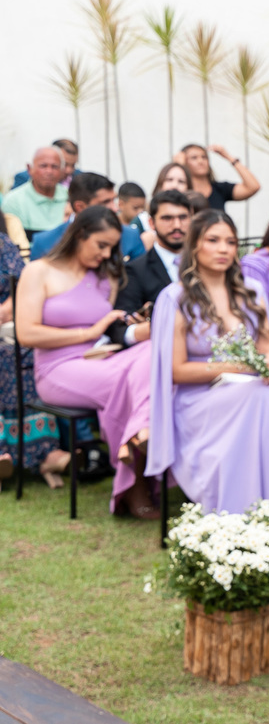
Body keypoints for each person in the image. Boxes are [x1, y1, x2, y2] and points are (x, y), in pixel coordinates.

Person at [147, 210, 269, 518]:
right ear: (194, 246)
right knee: (255, 397)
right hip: (199, 401)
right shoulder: (175, 298)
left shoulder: (252, 292)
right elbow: (176, 371)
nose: (224, 249)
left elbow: (268, 348)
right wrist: (240, 368)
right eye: (213, 240)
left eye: (230, 242)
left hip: (256, 393)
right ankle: (242, 514)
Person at [14, 206, 155, 516]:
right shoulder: (38, 271)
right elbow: (26, 333)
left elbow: (110, 330)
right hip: (57, 369)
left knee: (153, 352)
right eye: (101, 245)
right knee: (129, 383)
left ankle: (135, 448)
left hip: (101, 359)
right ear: (79, 235)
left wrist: (129, 324)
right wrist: (87, 333)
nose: (106, 254)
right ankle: (135, 479)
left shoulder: (107, 277)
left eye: (112, 248)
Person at [0, 230, 68, 487]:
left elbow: (20, 284)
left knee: (18, 356)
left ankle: (45, 450)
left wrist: (6, 310)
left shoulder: (3, 244)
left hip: (5, 325)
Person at [105, 190, 192, 348]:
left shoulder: (206, 264)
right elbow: (120, 330)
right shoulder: (135, 270)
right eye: (167, 218)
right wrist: (148, 329)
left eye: (183, 217)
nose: (177, 225)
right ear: (151, 223)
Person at [29, 172, 145, 261]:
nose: (115, 208)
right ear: (80, 207)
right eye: (105, 202)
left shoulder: (130, 236)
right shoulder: (45, 242)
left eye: (113, 200)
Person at [175, 144, 261, 214]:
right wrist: (178, 165)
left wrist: (229, 157)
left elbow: (253, 186)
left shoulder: (219, 189)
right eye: (194, 158)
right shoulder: (180, 191)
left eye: (204, 157)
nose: (200, 161)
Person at [2, 146, 67, 238]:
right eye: (43, 166)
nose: (49, 171)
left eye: (54, 166)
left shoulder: (71, 197)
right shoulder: (13, 201)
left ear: (62, 171)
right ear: (29, 169)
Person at [11, 139, 77, 191]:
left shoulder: (79, 178)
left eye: (73, 165)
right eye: (65, 164)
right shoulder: (24, 179)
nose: (69, 170)